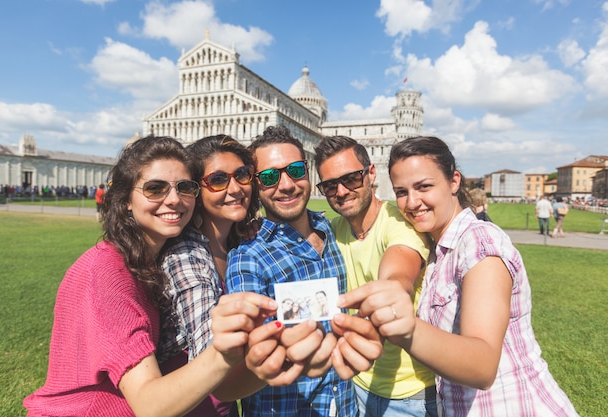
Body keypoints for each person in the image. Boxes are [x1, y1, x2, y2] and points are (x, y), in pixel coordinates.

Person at [24, 135, 278, 417]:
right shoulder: (106, 271)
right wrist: (227, 353)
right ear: (126, 201)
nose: (173, 200)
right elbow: (149, 406)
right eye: (155, 189)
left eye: (184, 187)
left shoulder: (146, 262)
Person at [338, 136, 580, 416]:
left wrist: (407, 329)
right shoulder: (437, 249)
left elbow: (483, 365)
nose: (412, 202)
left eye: (424, 186)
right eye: (401, 192)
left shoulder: (479, 243)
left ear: (454, 181)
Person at [226, 125, 382, 417]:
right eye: (270, 177)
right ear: (256, 187)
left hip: (347, 407)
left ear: (308, 173)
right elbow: (246, 360)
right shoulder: (248, 258)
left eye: (295, 170)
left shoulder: (332, 229)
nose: (286, 185)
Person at [314, 135, 436, 417]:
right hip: (354, 385)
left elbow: (398, 275)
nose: (341, 191)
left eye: (352, 179)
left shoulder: (398, 223)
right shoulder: (333, 230)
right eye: (330, 185)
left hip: (409, 394)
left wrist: (392, 291)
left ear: (371, 174)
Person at [156, 134, 262, 416]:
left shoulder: (238, 242)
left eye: (242, 175)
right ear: (196, 192)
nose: (235, 188)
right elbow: (212, 355)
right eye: (217, 180)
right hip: (192, 405)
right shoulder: (186, 256)